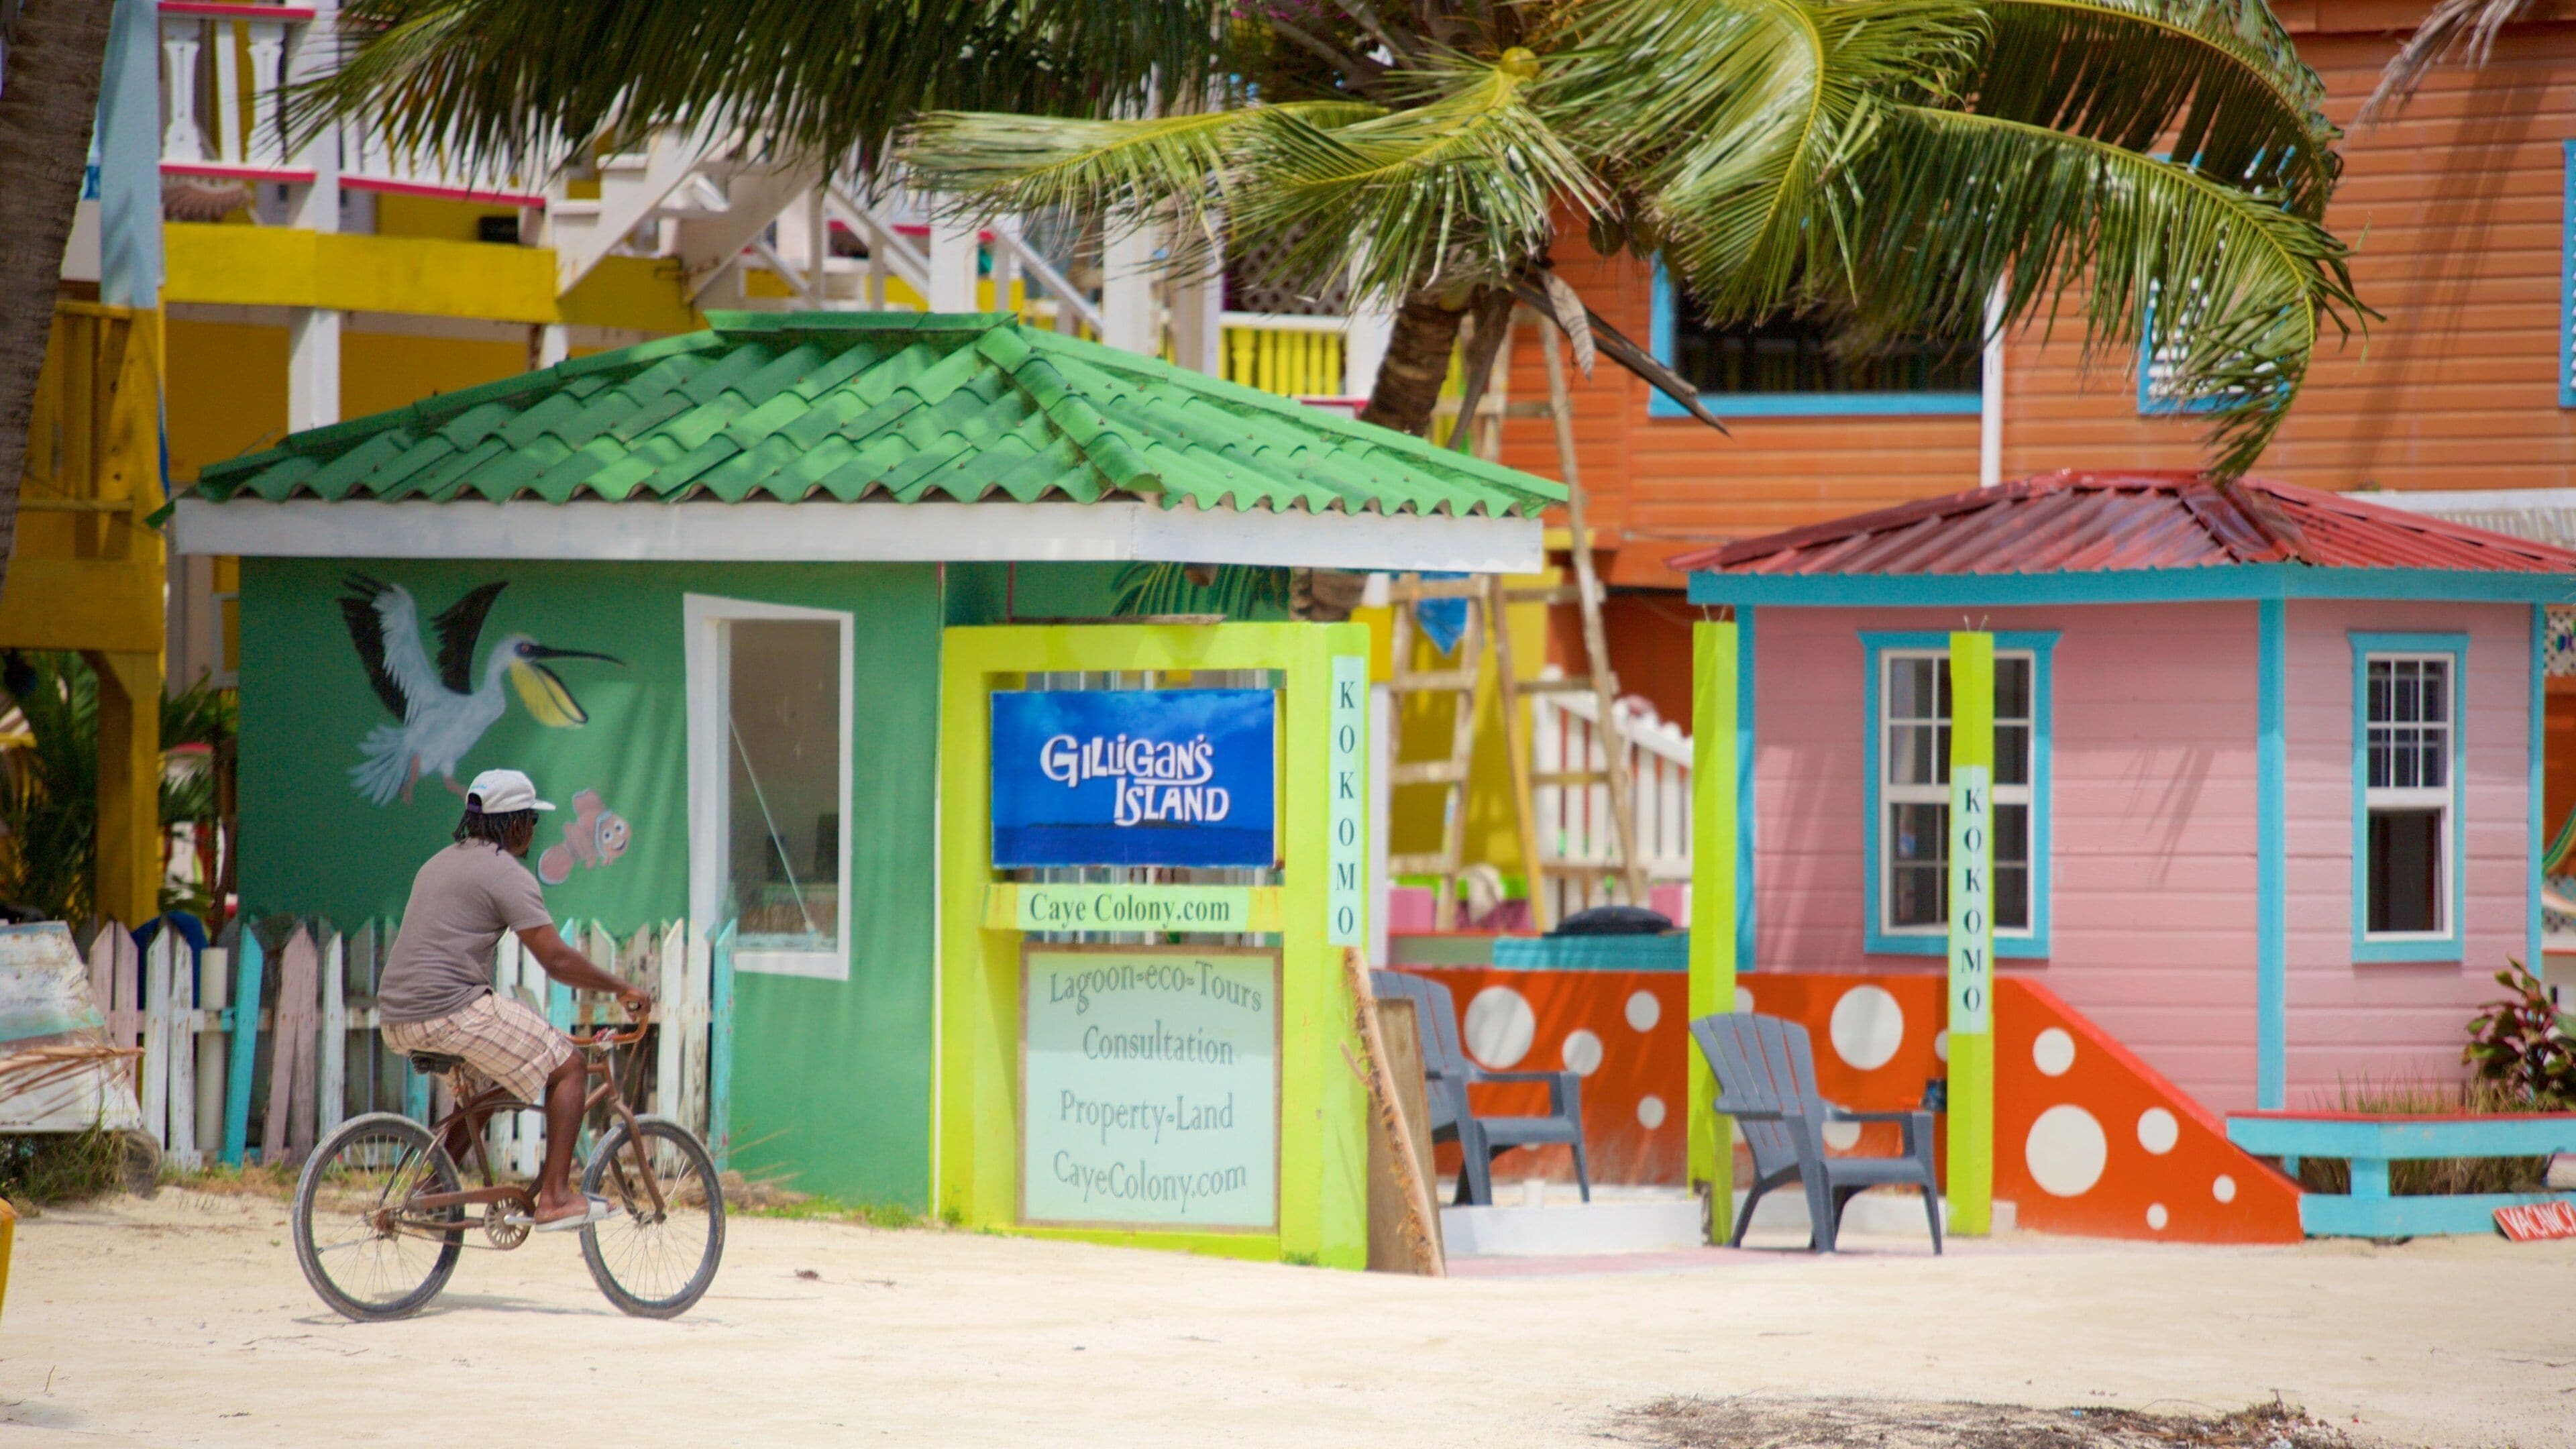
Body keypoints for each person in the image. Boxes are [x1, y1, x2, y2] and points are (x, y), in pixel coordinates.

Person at [377, 768, 651, 1230]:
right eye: (532, 821)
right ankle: (556, 1198)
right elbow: (557, 962)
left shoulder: (438, 863)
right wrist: (622, 987)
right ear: (517, 823)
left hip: (398, 1016)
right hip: (451, 1009)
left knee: (492, 1084)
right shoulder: (506, 872)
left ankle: (432, 1188)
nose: (533, 832)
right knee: (568, 1067)